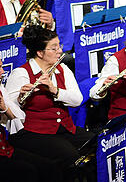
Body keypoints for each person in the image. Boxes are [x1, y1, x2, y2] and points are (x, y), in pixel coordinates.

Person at [6, 25, 94, 181]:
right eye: (54, 48)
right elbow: (11, 113)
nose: (60, 50)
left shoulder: (63, 69)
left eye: (59, 46)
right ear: (40, 53)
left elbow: (77, 100)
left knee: (97, 143)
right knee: (70, 156)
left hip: (64, 128)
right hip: (32, 132)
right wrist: (21, 99)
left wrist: (55, 90)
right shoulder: (21, 73)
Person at [0, 56, 53, 181]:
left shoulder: (0, 88)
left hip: (6, 149)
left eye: (2, 66)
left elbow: (19, 117)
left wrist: (5, 108)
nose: (3, 72)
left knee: (49, 167)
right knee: (28, 171)